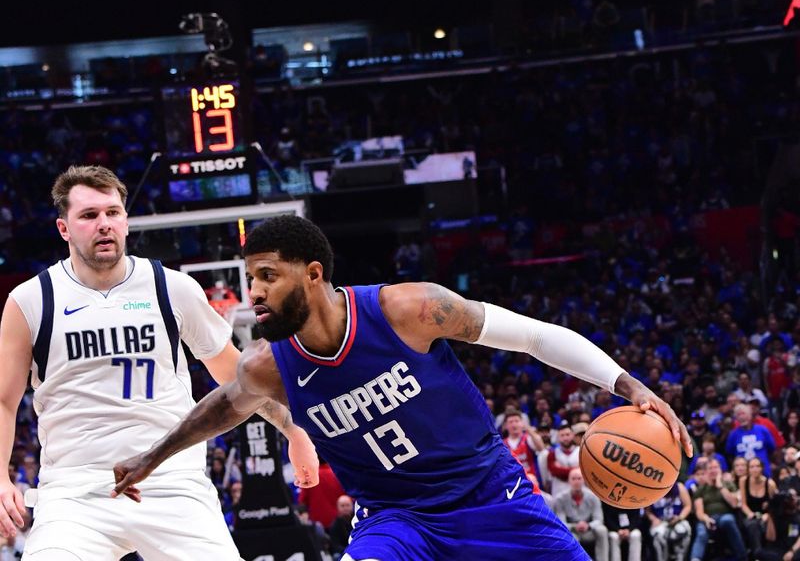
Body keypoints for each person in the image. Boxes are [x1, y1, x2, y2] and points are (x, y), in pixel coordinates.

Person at [111, 214, 693, 560]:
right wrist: (152, 456)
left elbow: (535, 338)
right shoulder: (268, 366)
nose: (254, 293)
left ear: (313, 274)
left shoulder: (409, 309)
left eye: (268, 276)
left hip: (490, 497)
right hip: (396, 521)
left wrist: (629, 385)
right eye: (249, 279)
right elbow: (224, 406)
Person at [0, 166, 318, 560]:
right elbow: (4, 401)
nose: (104, 224)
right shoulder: (30, 300)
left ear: (126, 221)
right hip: (75, 494)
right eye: (89, 215)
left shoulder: (172, 287)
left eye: (112, 213)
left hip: (171, 481)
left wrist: (295, 431)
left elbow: (242, 380)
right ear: (64, 228)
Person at [690, 458, 747, 561]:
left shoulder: (728, 484)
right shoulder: (701, 489)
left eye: (715, 467)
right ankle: (695, 558)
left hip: (724, 516)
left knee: (727, 520)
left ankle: (742, 557)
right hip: (707, 518)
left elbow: (734, 504)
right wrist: (706, 519)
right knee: (701, 532)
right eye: (710, 468)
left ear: (720, 469)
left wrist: (721, 487)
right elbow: (699, 512)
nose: (713, 470)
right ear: (706, 471)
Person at [554, 468, 609, 561]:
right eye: (573, 478)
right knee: (567, 536)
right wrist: (574, 526)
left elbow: (599, 519)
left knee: (602, 530)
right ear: (568, 481)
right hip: (572, 531)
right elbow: (561, 523)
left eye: (579, 478)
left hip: (589, 530)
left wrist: (588, 525)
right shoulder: (560, 499)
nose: (576, 481)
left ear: (584, 480)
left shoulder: (593, 496)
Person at [726, 403, 776, 477]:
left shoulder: (762, 430)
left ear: (750, 415)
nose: (741, 417)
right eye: (738, 415)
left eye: (743, 414)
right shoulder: (733, 434)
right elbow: (729, 454)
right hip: (743, 474)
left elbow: (772, 449)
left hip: (763, 472)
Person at [646, 481, 692, 561]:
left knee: (685, 530)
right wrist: (653, 519)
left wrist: (680, 517)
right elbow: (647, 510)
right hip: (660, 521)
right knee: (658, 535)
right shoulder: (651, 487)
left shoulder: (679, 486)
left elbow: (688, 505)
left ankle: (680, 558)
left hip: (677, 519)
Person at [739, 456, 777, 553]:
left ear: (762, 468)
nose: (754, 469)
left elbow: (776, 505)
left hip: (767, 516)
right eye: (751, 467)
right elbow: (743, 504)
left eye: (757, 466)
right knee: (753, 524)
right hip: (750, 515)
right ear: (748, 469)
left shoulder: (770, 484)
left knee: (760, 525)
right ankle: (757, 553)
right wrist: (750, 514)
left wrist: (768, 515)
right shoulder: (743, 481)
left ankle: (760, 554)